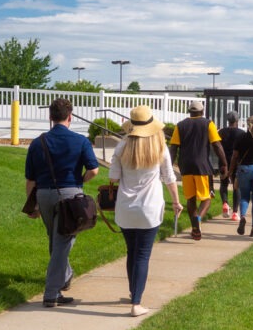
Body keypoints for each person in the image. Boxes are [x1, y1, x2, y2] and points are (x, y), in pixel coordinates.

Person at [24, 97, 100, 307]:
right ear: (70, 116)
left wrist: (33, 205)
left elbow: (30, 179)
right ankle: (51, 293)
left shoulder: (38, 142)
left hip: (44, 195)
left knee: (55, 239)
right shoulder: (80, 141)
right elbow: (94, 170)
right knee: (62, 242)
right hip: (70, 196)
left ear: (50, 117)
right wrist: (80, 181)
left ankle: (64, 277)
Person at [109, 106, 180, 317]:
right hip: (150, 208)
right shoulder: (160, 147)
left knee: (132, 252)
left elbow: (113, 178)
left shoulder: (121, 147)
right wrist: (176, 202)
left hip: (125, 208)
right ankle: (136, 303)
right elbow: (169, 177)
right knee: (142, 255)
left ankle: (134, 293)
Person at [169, 100, 227, 240]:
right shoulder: (208, 124)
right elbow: (217, 145)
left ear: (189, 111)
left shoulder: (180, 125)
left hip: (185, 166)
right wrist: (224, 163)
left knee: (190, 198)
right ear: (202, 111)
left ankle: (195, 225)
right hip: (202, 166)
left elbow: (173, 148)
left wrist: (169, 166)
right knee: (206, 198)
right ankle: (198, 220)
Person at [218, 111, 244, 221]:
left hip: (223, 161)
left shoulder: (221, 132)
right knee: (236, 186)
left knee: (223, 184)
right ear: (237, 120)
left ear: (228, 120)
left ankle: (225, 203)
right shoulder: (241, 133)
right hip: (237, 162)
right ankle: (234, 212)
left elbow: (217, 146)